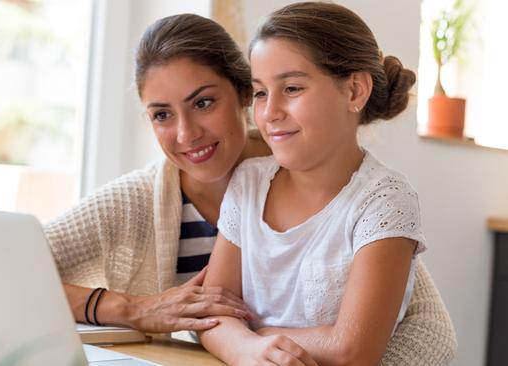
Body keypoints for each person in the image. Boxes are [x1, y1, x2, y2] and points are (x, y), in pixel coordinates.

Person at [44, 12, 456, 364]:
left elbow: (382, 339)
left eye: (203, 102)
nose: (186, 134)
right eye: (162, 115)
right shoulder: (242, 185)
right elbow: (2, 266)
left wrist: (256, 333)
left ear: (239, 95)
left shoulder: (374, 197)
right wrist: (130, 309)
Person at [199, 3, 456, 366]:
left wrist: (253, 334)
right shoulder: (248, 183)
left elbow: (352, 350)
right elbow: (210, 314)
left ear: (354, 92)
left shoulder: (385, 201)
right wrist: (244, 349)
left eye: (291, 88)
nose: (270, 112)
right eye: (259, 93)